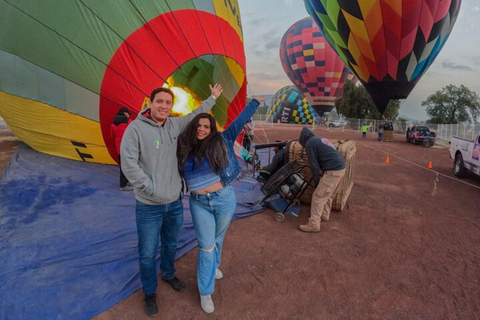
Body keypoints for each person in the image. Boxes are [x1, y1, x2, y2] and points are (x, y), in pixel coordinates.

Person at [121, 84, 223, 317]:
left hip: (175, 203)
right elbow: (128, 164)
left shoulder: (175, 125)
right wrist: (149, 187)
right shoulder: (135, 129)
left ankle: (167, 274)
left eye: (168, 103)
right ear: (150, 102)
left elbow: (195, 116)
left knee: (170, 244)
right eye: (160, 102)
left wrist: (212, 98)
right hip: (149, 206)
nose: (164, 106)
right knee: (147, 252)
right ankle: (149, 292)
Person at [177, 99, 260, 313]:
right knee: (206, 246)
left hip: (224, 198)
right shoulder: (184, 147)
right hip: (199, 204)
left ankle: (214, 267)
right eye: (199, 125)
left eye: (206, 126)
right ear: (193, 127)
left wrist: (255, 103)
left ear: (211, 129)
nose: (202, 129)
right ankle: (206, 292)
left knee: (217, 238)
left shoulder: (222, 140)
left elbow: (239, 121)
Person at [298, 127, 346, 233]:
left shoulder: (309, 143)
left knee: (318, 196)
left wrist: (317, 182)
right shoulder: (319, 139)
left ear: (303, 139)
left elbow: (314, 165)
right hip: (341, 168)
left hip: (333, 170)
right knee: (328, 194)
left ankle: (314, 224)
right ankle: (325, 215)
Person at [111, 107, 133, 191]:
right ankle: (123, 185)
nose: (128, 115)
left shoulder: (113, 125)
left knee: (123, 167)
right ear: (125, 113)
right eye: (128, 114)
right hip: (128, 148)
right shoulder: (129, 122)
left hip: (119, 149)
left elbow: (112, 135)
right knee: (129, 166)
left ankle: (126, 182)